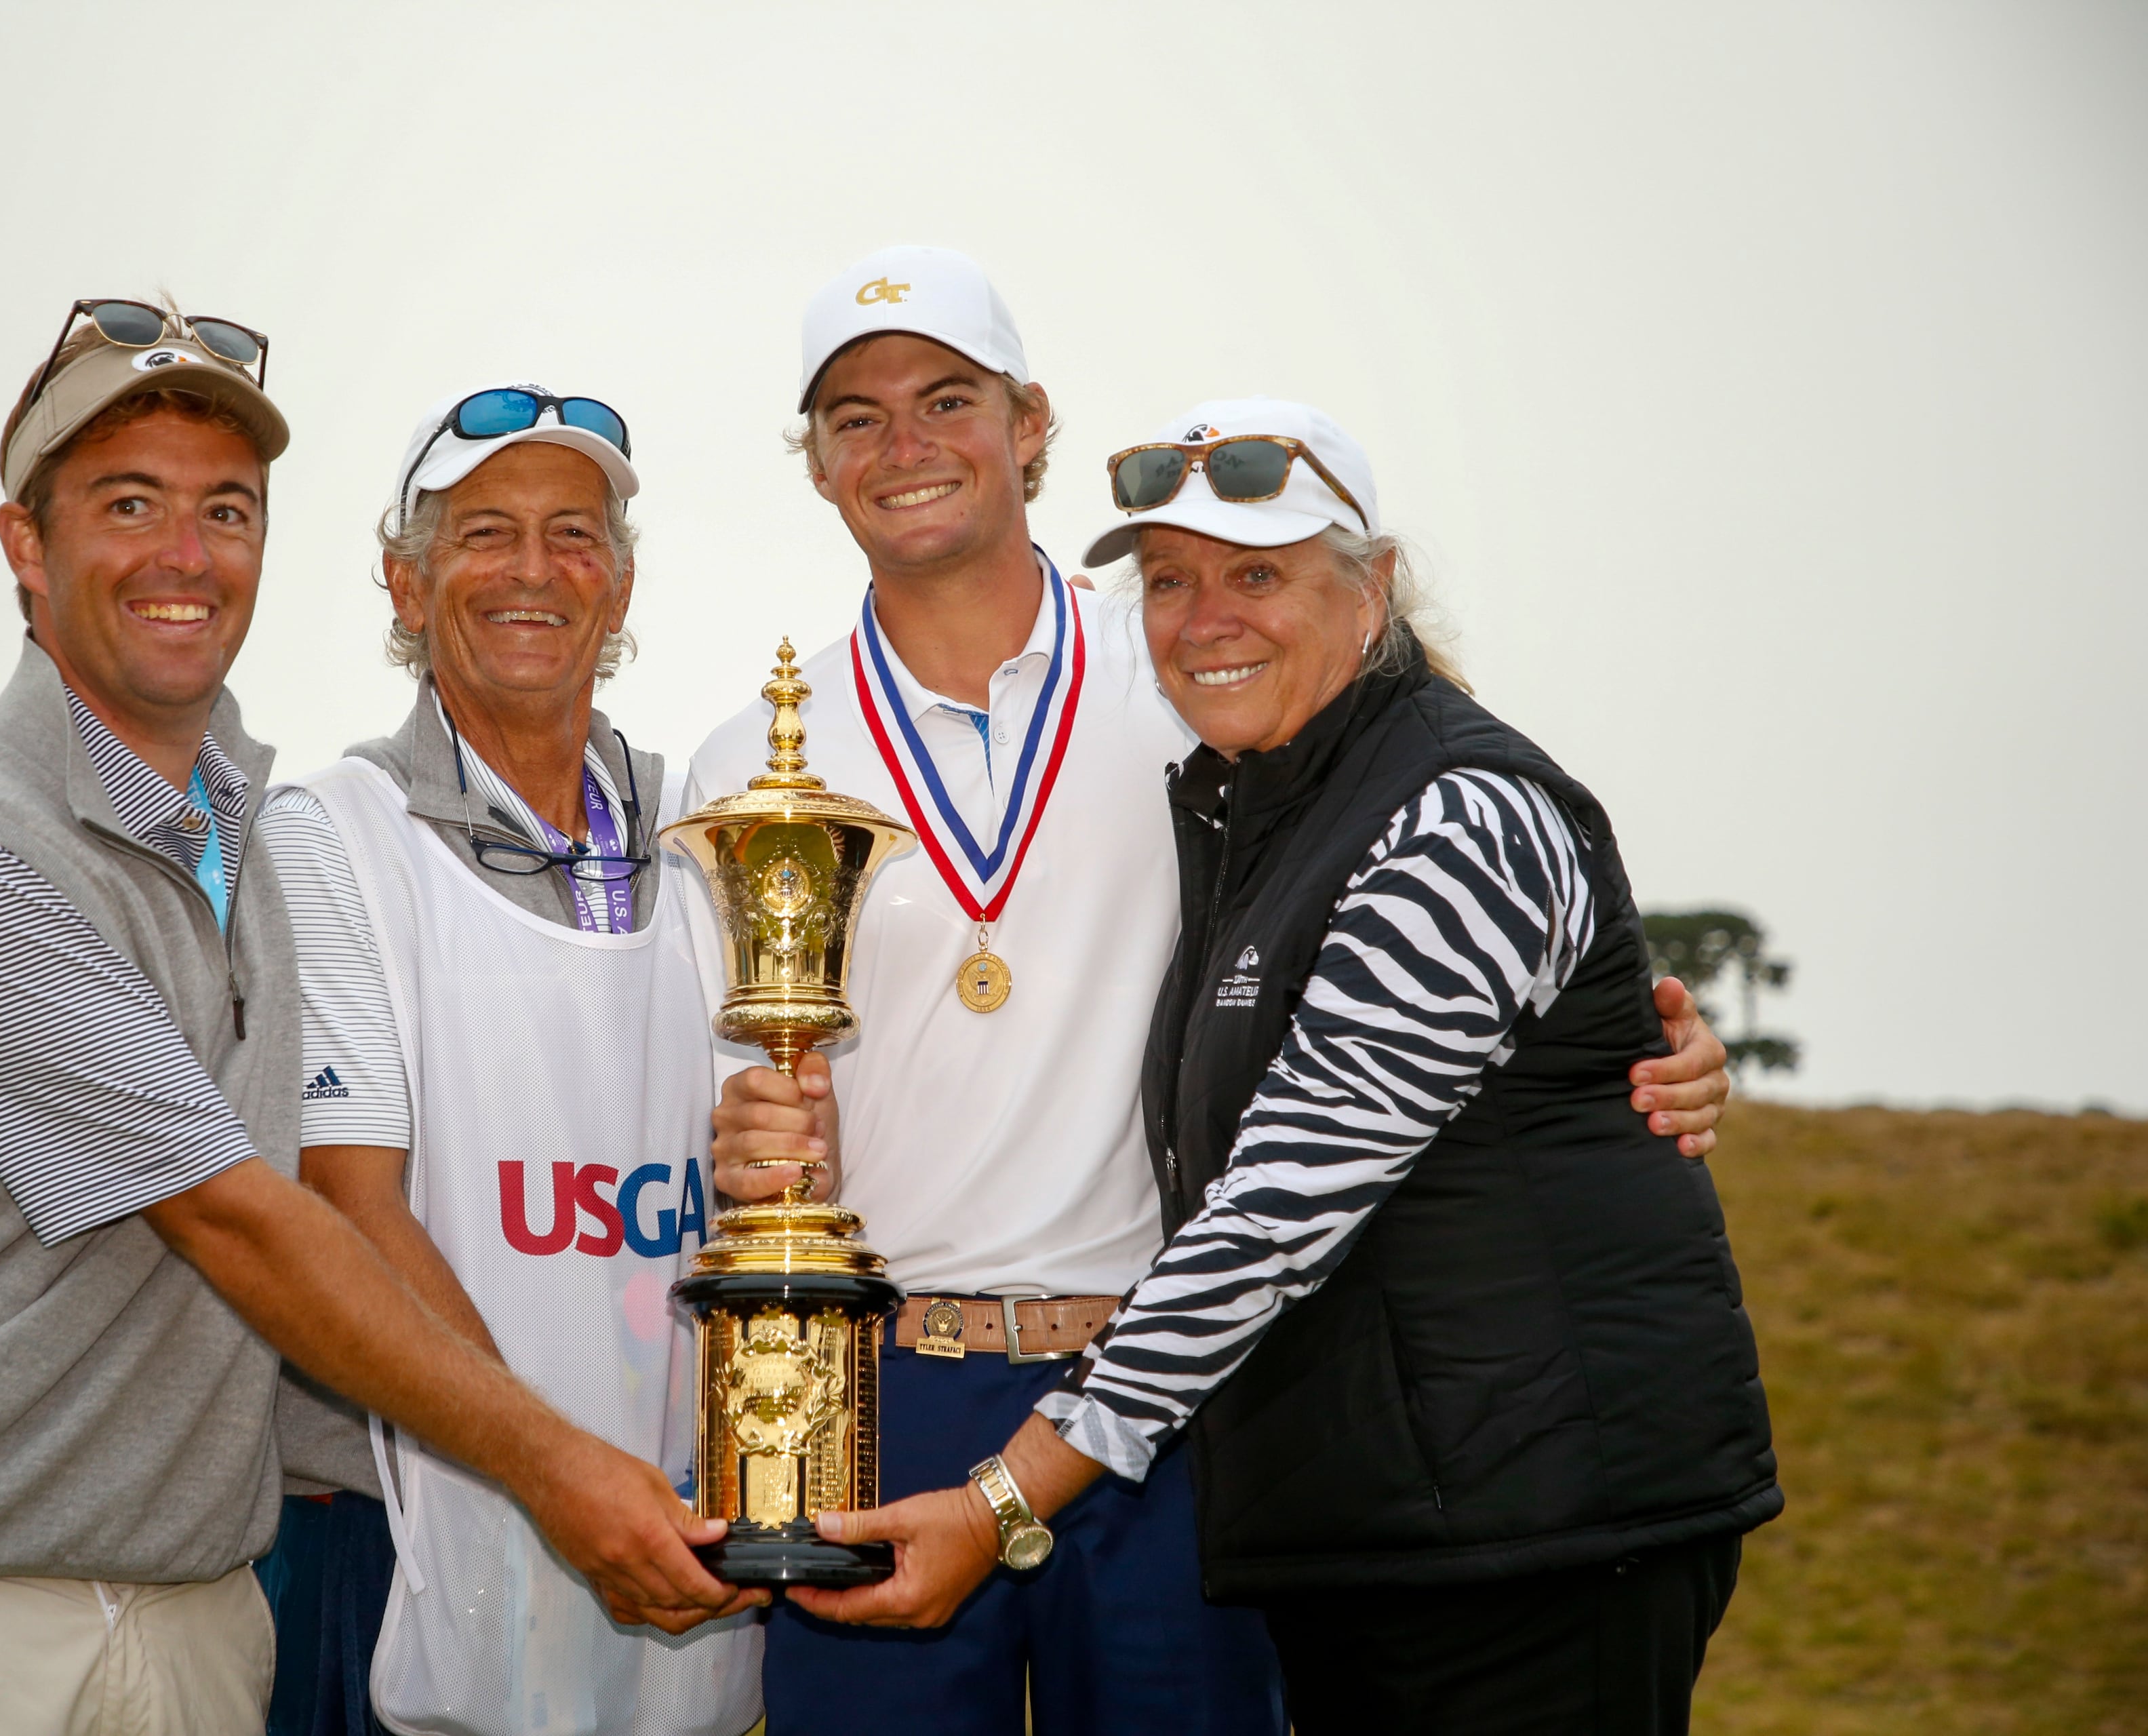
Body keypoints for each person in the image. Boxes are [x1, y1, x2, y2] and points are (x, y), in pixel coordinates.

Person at [685, 250, 1736, 1736]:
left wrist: (1653, 1042)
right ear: (816, 463)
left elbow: (1447, 910)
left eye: (945, 399)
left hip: (1177, 1383)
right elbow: (712, 1084)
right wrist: (740, 1137)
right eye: (854, 417)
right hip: (888, 1377)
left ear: (1031, 422)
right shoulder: (750, 757)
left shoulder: (1185, 673)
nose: (903, 445)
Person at [0, 309, 744, 1736]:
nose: (186, 554)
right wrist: (562, 1463)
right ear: (28, 545)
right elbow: (244, 1219)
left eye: (226, 509)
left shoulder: (242, 833)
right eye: (127, 504)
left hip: (197, 1602)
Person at [253, 382, 761, 1736]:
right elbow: (350, 1203)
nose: (535, 570)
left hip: (667, 1519)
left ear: (624, 581)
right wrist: (557, 1470)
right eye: (485, 533)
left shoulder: (708, 828)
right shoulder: (329, 835)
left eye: (574, 533)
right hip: (401, 1537)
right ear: (405, 582)